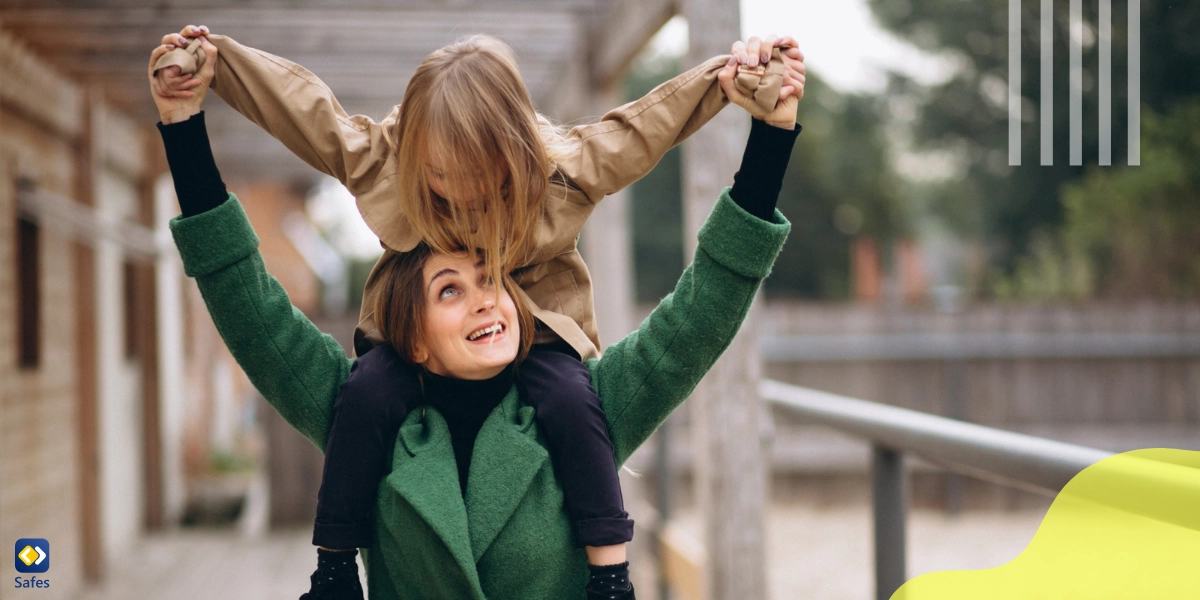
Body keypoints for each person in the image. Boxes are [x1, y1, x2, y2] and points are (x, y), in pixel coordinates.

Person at [151, 30, 800, 600]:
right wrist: (189, 116)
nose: (488, 296)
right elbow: (246, 296)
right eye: (449, 290)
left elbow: (705, 299)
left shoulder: (591, 409)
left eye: (495, 278)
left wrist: (759, 122)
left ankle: (613, 578)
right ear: (412, 328)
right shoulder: (365, 414)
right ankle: (331, 569)